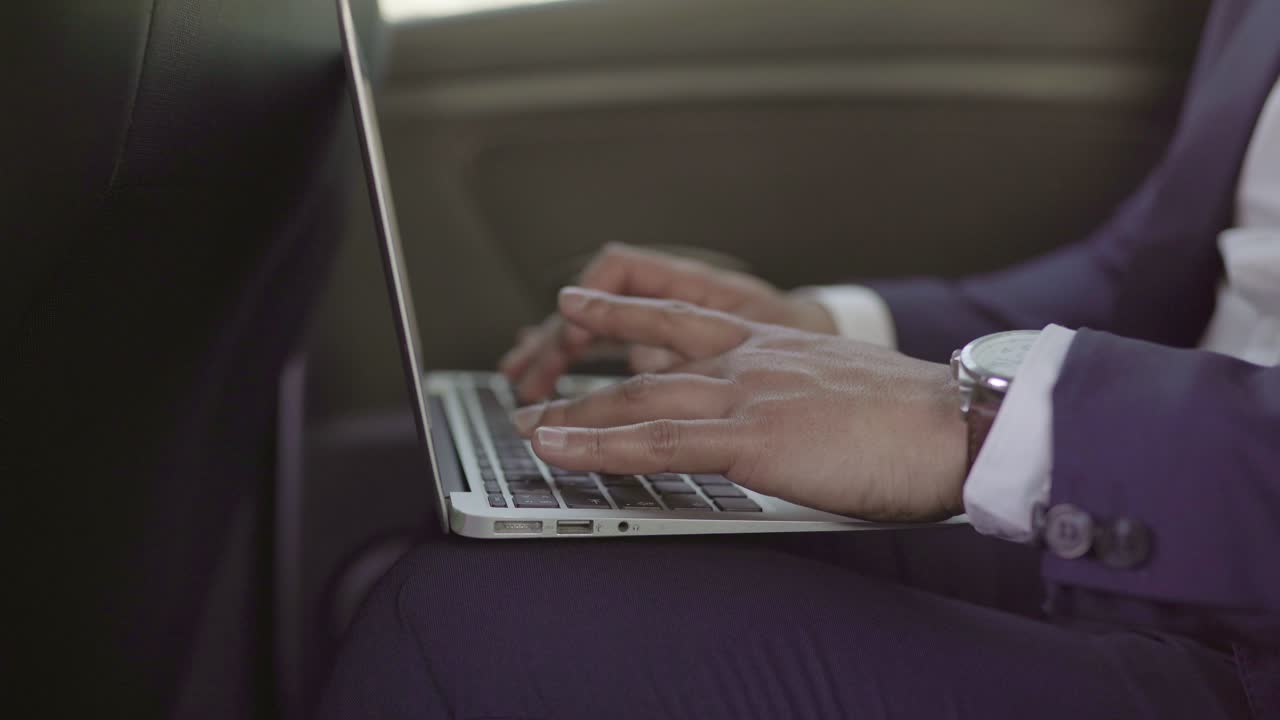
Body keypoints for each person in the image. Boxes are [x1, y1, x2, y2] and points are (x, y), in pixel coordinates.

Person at [320, 0, 1279, 717]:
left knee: (474, 629)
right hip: (1173, 515)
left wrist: (995, 426)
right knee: (537, 501)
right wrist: (826, 328)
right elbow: (1165, 269)